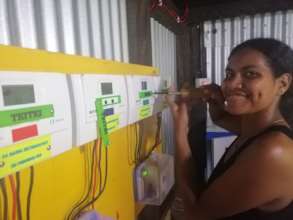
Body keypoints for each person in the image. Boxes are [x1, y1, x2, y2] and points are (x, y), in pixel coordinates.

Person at [167, 38, 293, 219]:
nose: (231, 84)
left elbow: (193, 215)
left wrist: (180, 128)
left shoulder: (274, 152)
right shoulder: (255, 128)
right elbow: (221, 118)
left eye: (250, 74)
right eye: (229, 74)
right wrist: (212, 97)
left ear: (282, 84)